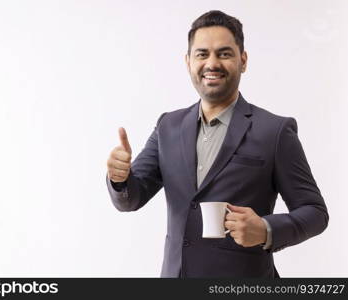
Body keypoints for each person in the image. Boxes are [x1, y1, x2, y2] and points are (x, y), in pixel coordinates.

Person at [106, 10, 328, 278]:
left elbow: (315, 213)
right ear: (188, 62)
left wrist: (266, 230)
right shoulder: (168, 126)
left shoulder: (275, 131)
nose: (212, 63)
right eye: (202, 54)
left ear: (242, 61)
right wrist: (119, 179)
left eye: (224, 53)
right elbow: (132, 197)